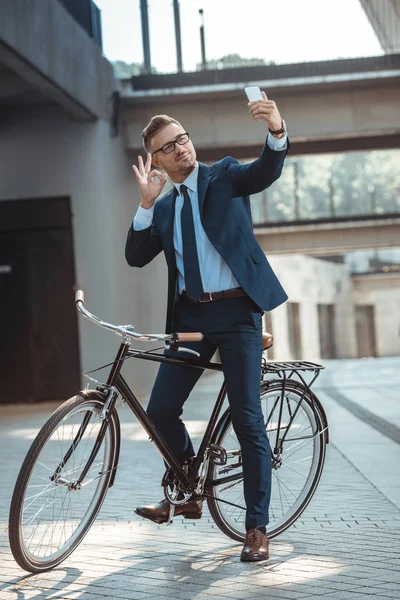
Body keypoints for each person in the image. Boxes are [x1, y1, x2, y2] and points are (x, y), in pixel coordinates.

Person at [125, 91, 289, 562]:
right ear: (156, 160)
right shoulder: (164, 205)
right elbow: (135, 257)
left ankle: (256, 528)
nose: (181, 149)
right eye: (169, 146)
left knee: (247, 420)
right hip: (192, 318)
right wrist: (144, 204)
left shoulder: (223, 176)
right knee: (159, 412)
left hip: (238, 315)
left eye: (183, 139)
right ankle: (188, 489)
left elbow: (264, 171)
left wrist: (276, 131)